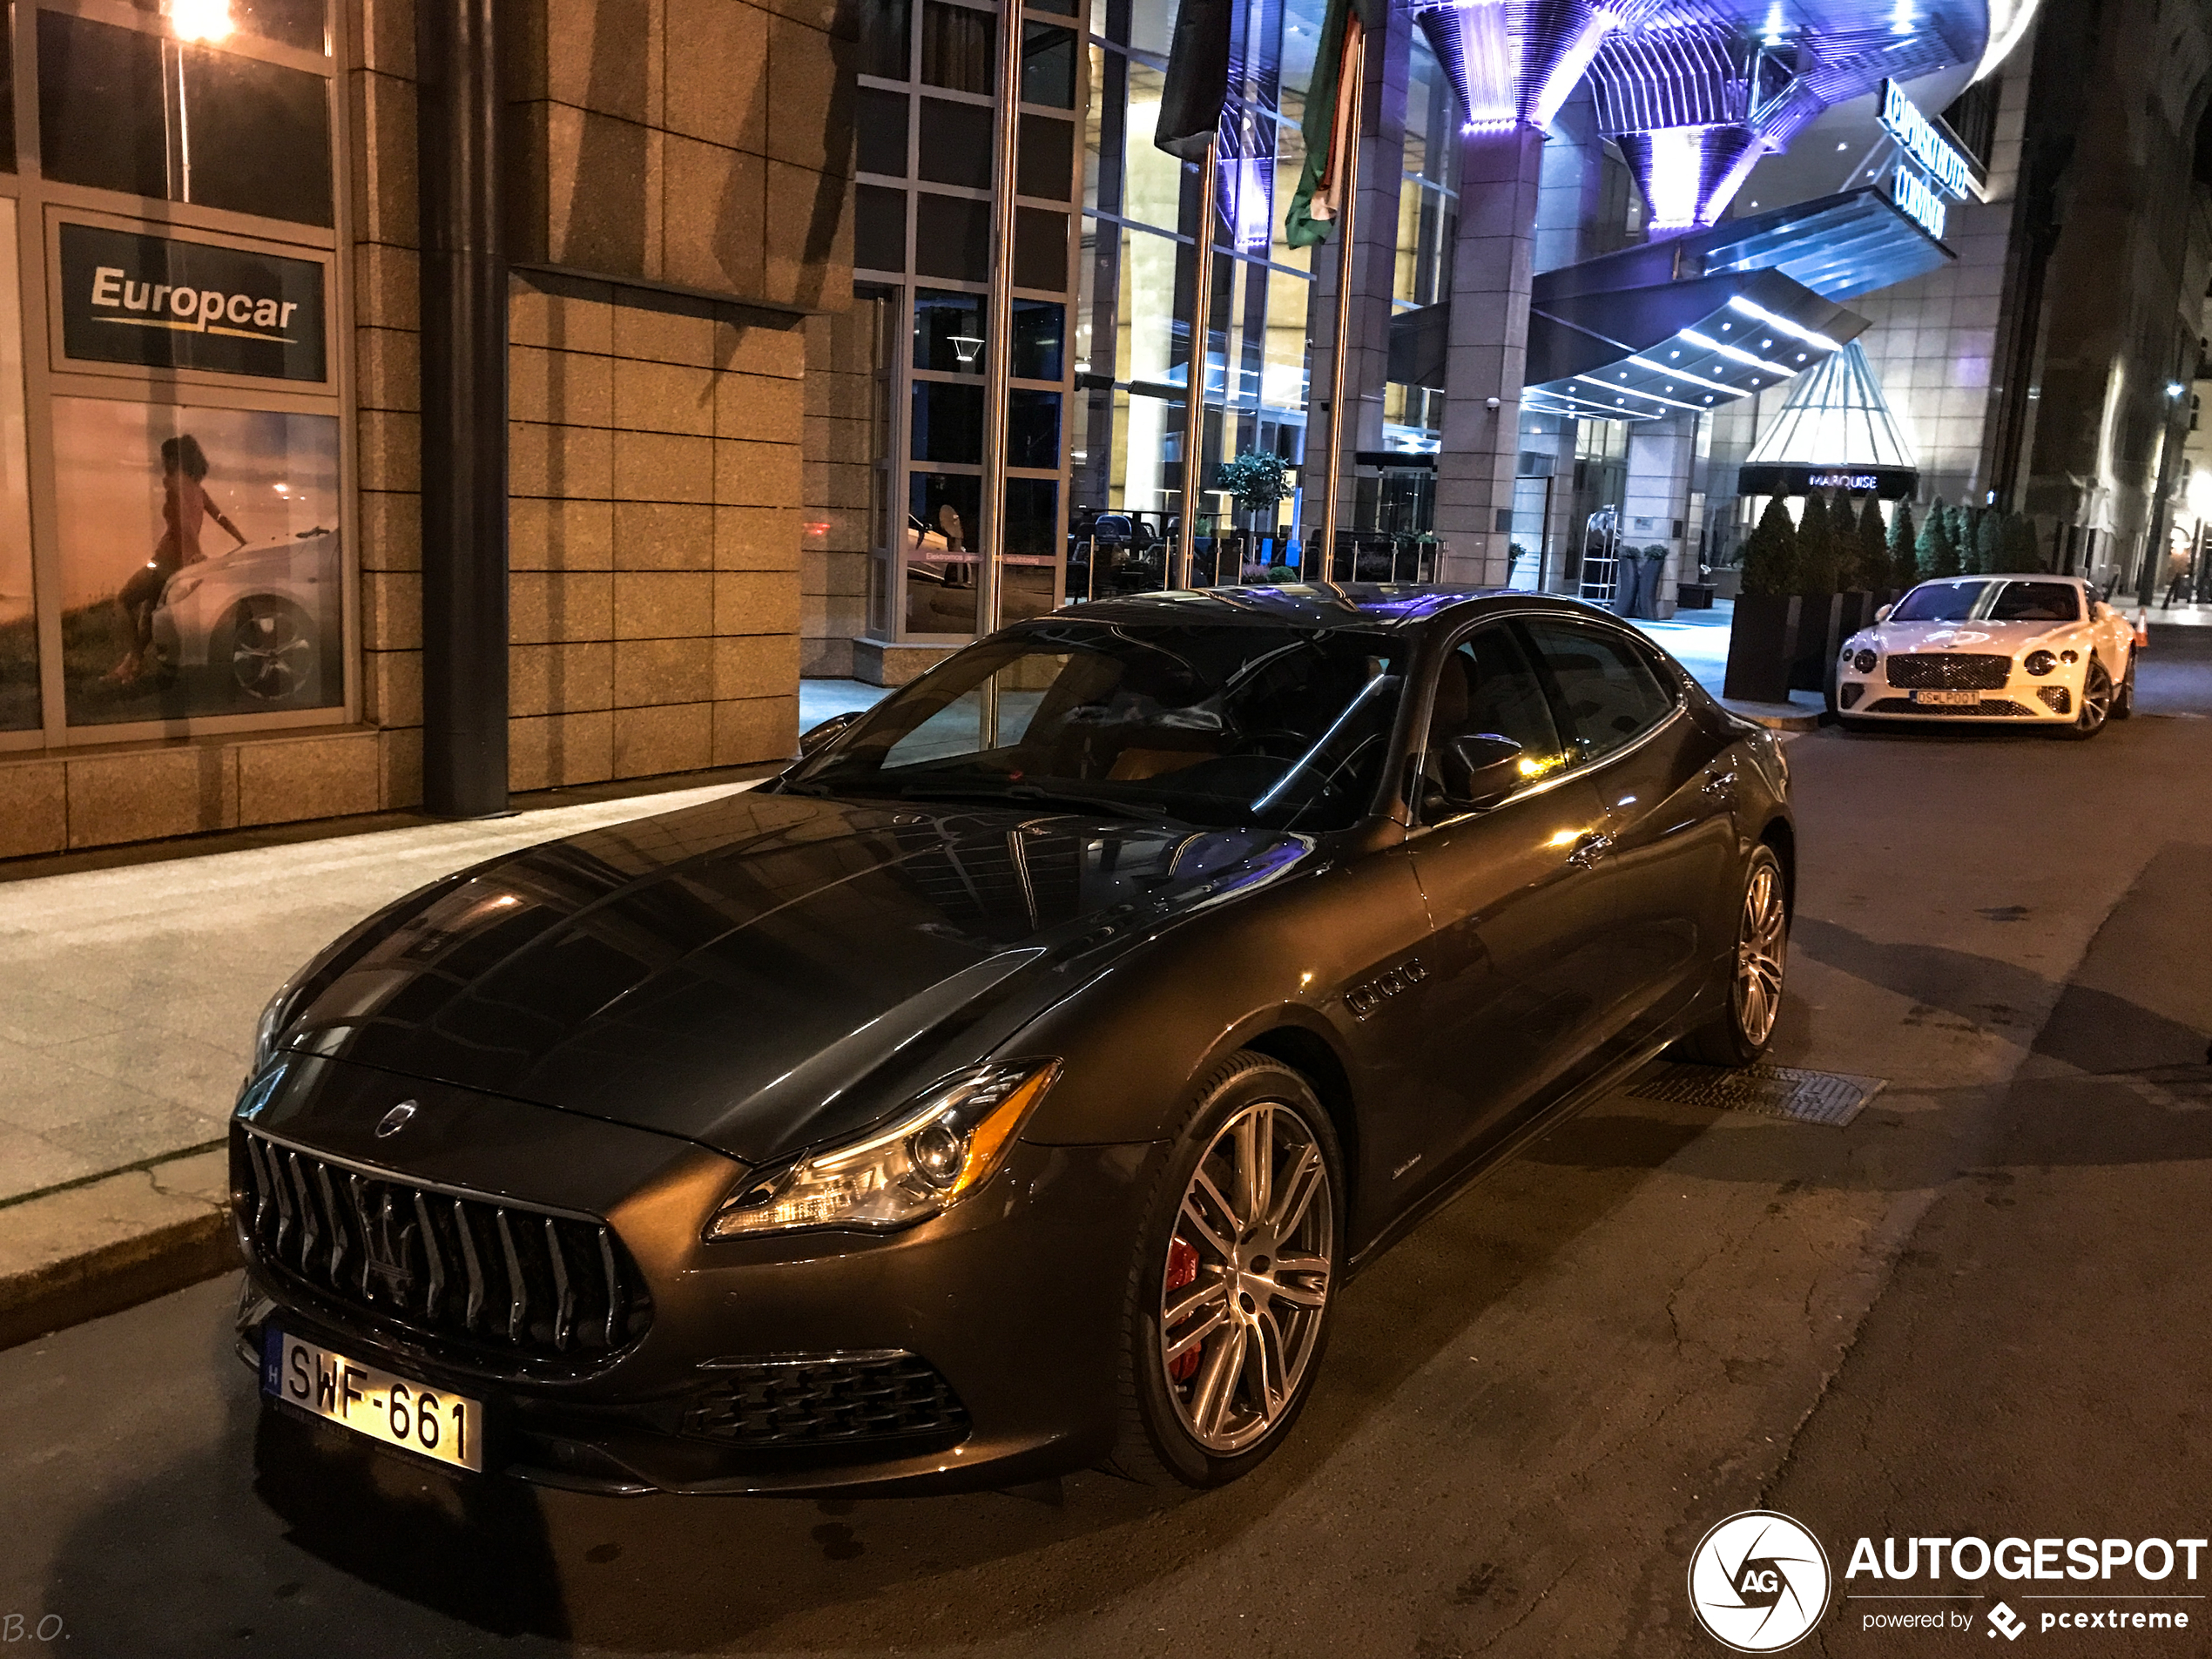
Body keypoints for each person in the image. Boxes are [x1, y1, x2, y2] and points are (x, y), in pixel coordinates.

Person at [106, 434, 246, 685]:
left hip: (166, 558)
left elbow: (183, 524)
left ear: (173, 459)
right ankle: (126, 668)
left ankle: (136, 658)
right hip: (180, 561)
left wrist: (195, 551)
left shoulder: (173, 483)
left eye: (164, 458)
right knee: (149, 609)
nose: (162, 463)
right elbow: (221, 517)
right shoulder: (197, 489)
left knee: (123, 601)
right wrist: (243, 542)